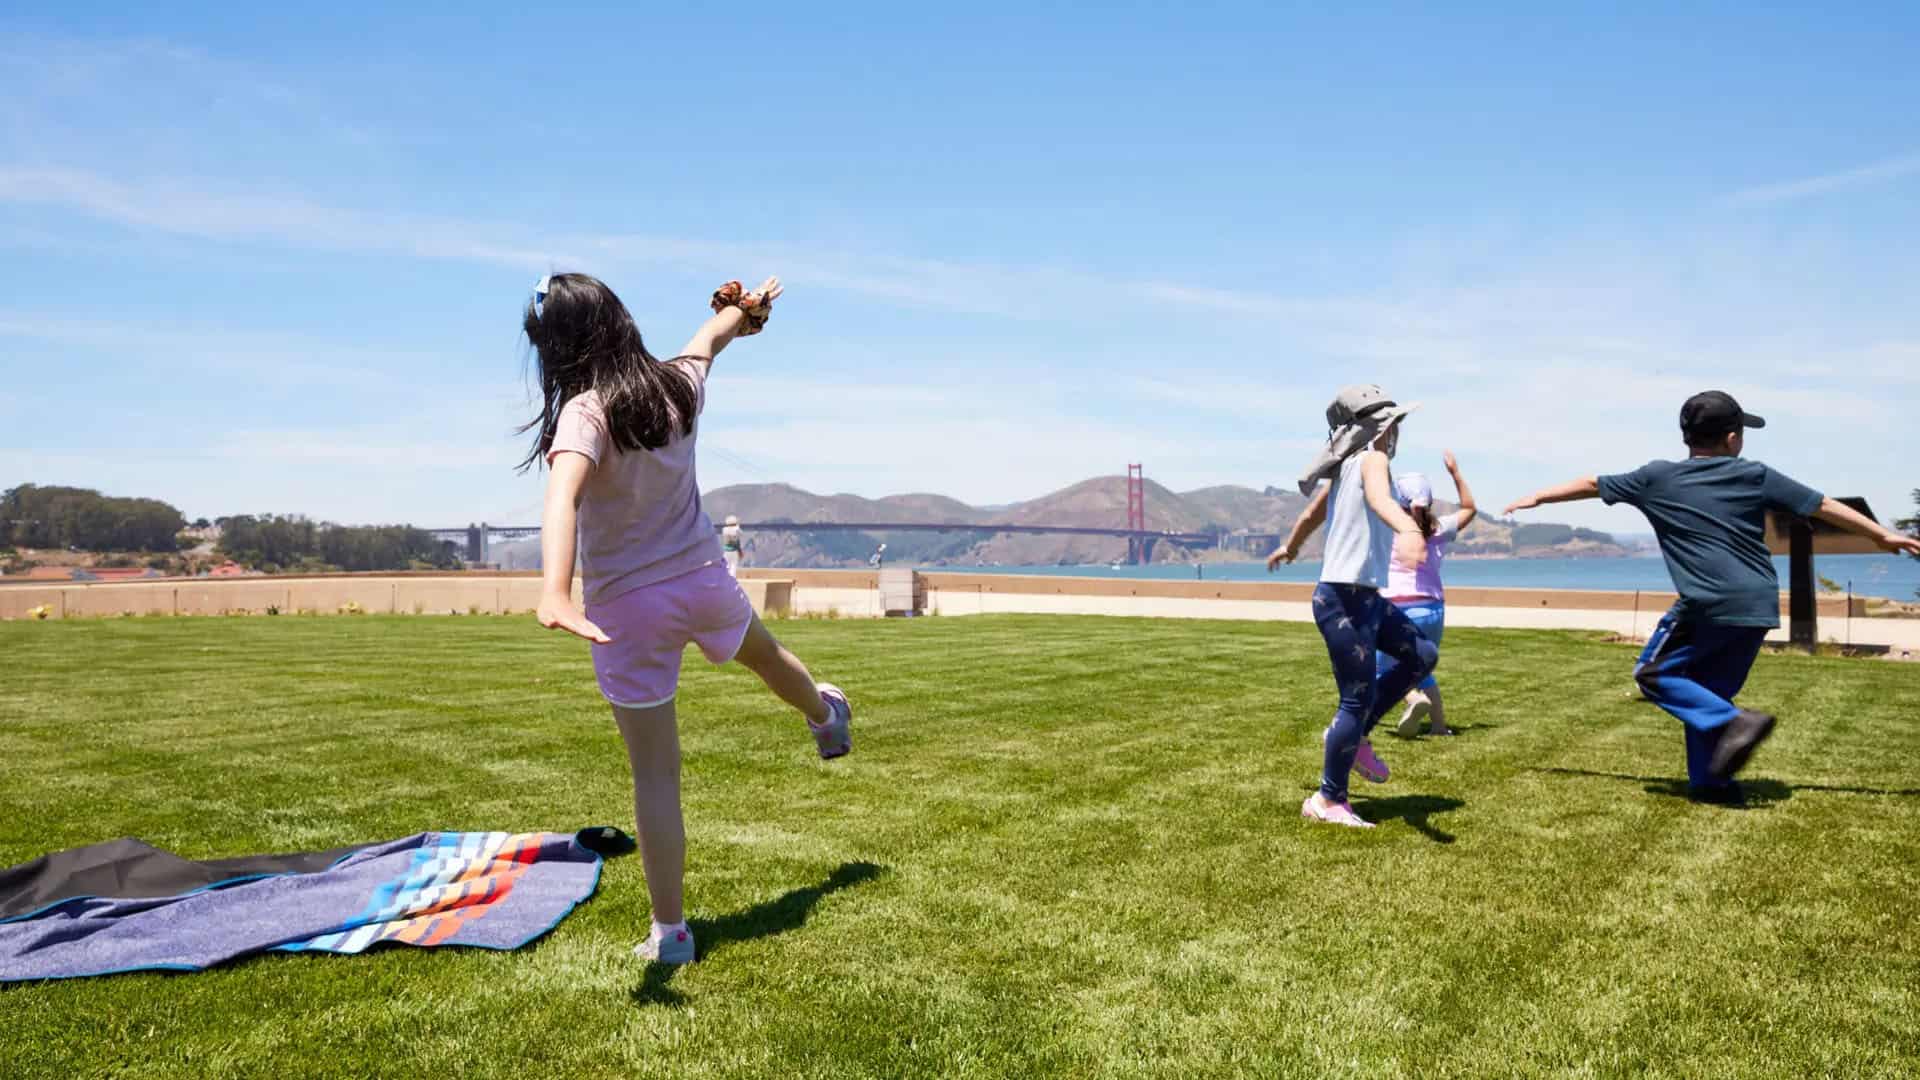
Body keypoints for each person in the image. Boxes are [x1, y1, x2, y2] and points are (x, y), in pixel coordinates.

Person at [522, 272, 853, 965]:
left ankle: (670, 934)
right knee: (767, 659)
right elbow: (713, 337)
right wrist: (745, 310)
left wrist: (555, 590)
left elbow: (562, 498)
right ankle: (825, 717)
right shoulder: (677, 386)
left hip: (626, 609)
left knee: (656, 776)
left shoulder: (584, 413)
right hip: (703, 581)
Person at [1504, 390, 1920, 803]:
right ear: (1733, 438)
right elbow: (1822, 504)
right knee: (1704, 691)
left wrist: (1539, 496)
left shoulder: (1657, 478)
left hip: (1707, 602)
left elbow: (1593, 483)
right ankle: (1712, 783)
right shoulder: (1755, 475)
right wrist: (1880, 533)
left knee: (1654, 675)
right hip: (1758, 604)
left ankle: (1733, 722)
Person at [1269, 385, 1436, 828]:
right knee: (1354, 699)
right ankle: (1328, 800)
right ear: (1382, 428)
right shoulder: (1372, 461)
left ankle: (1358, 736)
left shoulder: (1345, 469)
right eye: (1395, 423)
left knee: (1422, 654)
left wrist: (1289, 548)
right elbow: (1382, 502)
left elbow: (1309, 517)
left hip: (1364, 598)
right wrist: (1409, 529)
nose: (1398, 432)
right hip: (1345, 600)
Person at [1379, 452, 1477, 737]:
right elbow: (1470, 508)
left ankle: (1413, 699)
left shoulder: (1389, 528)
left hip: (1397, 605)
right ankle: (1438, 726)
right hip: (1433, 607)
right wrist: (1455, 473)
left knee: (1382, 665)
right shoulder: (1438, 528)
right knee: (1421, 665)